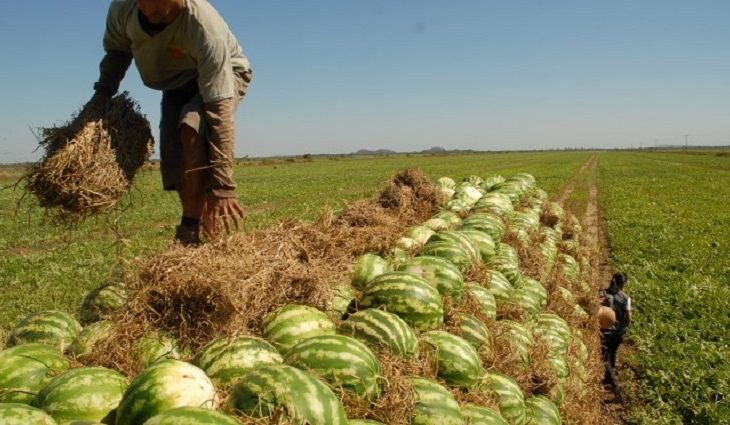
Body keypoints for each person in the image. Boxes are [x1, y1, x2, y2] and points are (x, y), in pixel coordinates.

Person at [87, 0, 253, 245]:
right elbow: (118, 52)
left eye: (158, 2)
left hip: (227, 75)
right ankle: (198, 222)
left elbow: (219, 114)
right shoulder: (123, 9)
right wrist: (101, 95)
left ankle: (189, 229)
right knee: (175, 155)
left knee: (191, 127)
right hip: (175, 83)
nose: (150, 10)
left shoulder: (203, 26)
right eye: (144, 2)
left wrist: (224, 186)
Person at [599, 272, 632, 395]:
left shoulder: (602, 293)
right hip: (618, 332)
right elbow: (628, 317)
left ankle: (611, 380)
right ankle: (611, 381)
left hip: (605, 331)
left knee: (606, 356)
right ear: (623, 284)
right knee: (611, 354)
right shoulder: (626, 298)